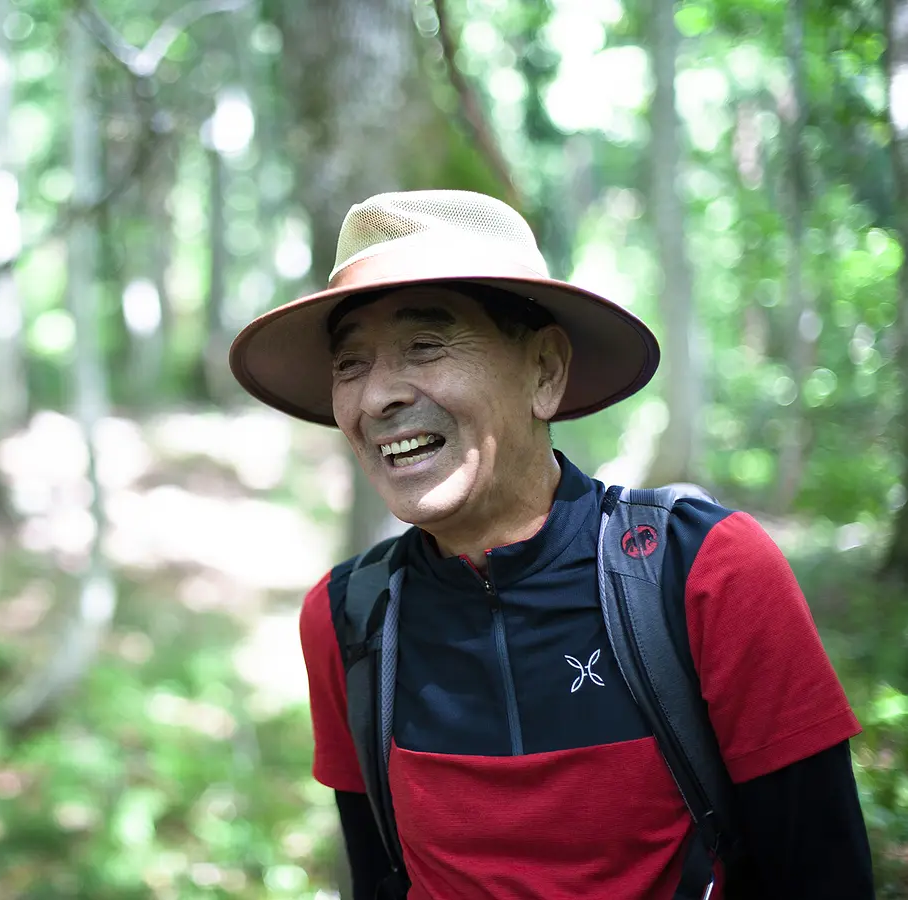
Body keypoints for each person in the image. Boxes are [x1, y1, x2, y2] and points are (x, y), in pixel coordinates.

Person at [226, 191, 874, 899]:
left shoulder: (704, 573)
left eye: (424, 345)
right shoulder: (349, 617)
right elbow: (378, 876)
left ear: (544, 372)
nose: (377, 397)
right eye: (350, 364)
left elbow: (822, 873)